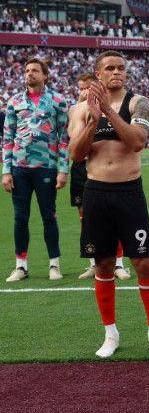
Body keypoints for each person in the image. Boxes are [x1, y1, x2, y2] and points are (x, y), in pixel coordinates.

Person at [68, 50, 149, 357]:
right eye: (110, 68)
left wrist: (109, 114)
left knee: (144, 264)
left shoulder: (138, 103)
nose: (116, 72)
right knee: (103, 264)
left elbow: (137, 142)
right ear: (99, 74)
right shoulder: (80, 109)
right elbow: (76, 153)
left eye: (121, 68)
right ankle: (110, 334)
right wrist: (92, 121)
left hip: (129, 192)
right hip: (96, 193)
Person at [3, 57, 68, 283]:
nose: (29, 74)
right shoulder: (14, 102)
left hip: (47, 168)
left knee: (48, 216)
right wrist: (5, 171)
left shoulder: (58, 101)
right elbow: (8, 139)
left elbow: (64, 138)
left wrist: (63, 169)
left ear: (45, 75)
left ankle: (54, 264)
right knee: (20, 218)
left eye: (34, 71)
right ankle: (21, 266)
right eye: (27, 70)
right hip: (19, 168)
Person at [72, 73, 130, 280]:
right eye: (81, 88)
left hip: (111, 174)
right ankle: (93, 262)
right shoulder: (77, 110)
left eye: (88, 87)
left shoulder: (114, 107)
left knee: (116, 219)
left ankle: (119, 264)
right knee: (84, 217)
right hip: (82, 169)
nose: (85, 92)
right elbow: (74, 147)